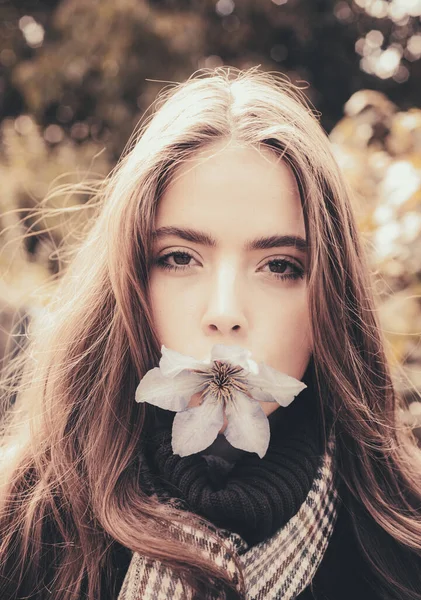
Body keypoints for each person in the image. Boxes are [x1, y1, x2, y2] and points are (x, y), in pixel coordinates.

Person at [1, 66, 421, 600]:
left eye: (280, 265)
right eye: (179, 258)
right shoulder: (24, 536)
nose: (224, 314)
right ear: (128, 279)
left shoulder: (404, 555)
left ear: (332, 301)